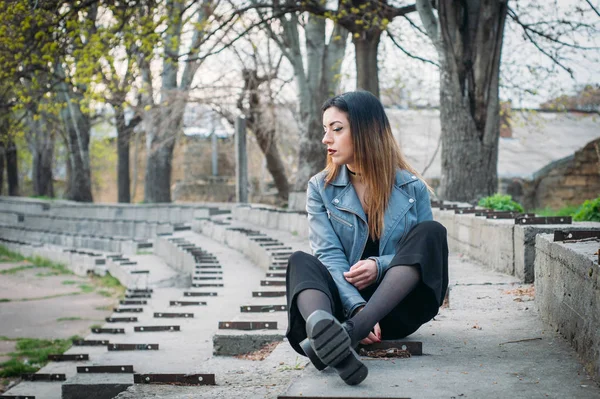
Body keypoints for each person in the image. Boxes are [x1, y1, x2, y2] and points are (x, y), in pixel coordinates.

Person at [285, 91, 449, 386]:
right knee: (301, 261)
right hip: (344, 307)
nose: (326, 139)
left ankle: (345, 335)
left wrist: (380, 265)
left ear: (365, 130)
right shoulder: (320, 188)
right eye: (326, 130)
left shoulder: (412, 189)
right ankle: (340, 341)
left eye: (337, 129)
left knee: (432, 232)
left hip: (396, 308)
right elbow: (329, 255)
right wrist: (357, 308)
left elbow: (423, 253)